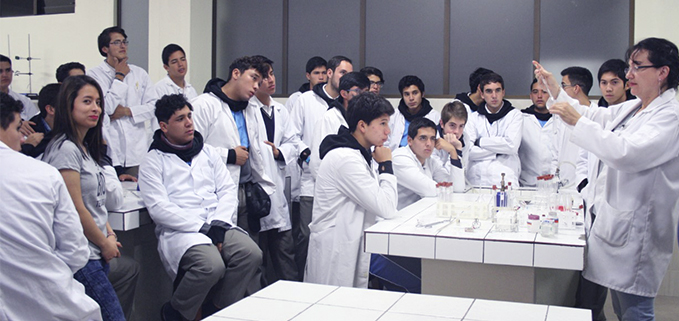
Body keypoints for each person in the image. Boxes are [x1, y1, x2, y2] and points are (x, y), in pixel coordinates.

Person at [535, 37, 679, 320]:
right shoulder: (636, 107)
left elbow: (627, 153)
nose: (629, 75)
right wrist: (555, 89)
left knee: (635, 308)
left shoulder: (670, 116)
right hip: (617, 222)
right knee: (621, 305)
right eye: (629, 66)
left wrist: (577, 122)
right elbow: (592, 115)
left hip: (639, 229)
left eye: (637, 67)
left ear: (663, 72)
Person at [138, 94, 262, 320]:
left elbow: (226, 190)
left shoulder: (207, 152)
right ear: (164, 126)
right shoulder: (153, 161)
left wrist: (219, 223)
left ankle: (218, 309)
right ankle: (176, 311)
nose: (188, 123)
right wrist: (203, 228)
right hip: (183, 231)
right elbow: (158, 207)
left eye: (189, 116)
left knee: (251, 253)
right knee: (211, 265)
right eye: (180, 119)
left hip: (218, 221)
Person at [0, 92, 102, 320]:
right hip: (50, 302)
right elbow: (75, 252)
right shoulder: (43, 173)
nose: (23, 139)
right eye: (18, 129)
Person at [42, 75, 126, 321]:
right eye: (87, 101)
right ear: (69, 106)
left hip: (97, 249)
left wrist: (109, 234)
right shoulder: (66, 149)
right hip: (83, 255)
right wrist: (103, 242)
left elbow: (95, 201)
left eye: (98, 102)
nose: (96, 109)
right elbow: (75, 209)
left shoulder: (85, 148)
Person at [305, 92, 397, 288]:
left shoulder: (359, 154)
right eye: (382, 123)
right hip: (335, 249)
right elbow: (386, 207)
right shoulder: (346, 158)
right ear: (362, 125)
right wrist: (386, 166)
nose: (388, 131)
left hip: (348, 241)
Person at [289, 55, 353, 280]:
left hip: (340, 188)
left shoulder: (349, 108)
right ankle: (302, 285)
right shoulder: (306, 100)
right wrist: (306, 153)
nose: (346, 79)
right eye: (342, 73)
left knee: (332, 240)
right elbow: (291, 135)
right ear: (329, 74)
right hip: (310, 182)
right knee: (307, 238)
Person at [247, 55, 299, 282]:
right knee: (258, 256)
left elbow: (293, 142)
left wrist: (279, 152)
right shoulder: (247, 110)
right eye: (264, 76)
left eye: (271, 74)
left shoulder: (281, 110)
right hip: (256, 193)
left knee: (285, 253)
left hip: (278, 192)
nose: (270, 80)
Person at [88, 26, 157, 177]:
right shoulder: (94, 75)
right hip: (111, 149)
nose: (123, 46)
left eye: (125, 42)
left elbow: (153, 107)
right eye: (117, 42)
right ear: (105, 48)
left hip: (136, 151)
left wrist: (128, 111)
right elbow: (104, 108)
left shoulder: (139, 73)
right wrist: (119, 77)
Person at [309, 71, 370, 179]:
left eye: (366, 92)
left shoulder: (364, 119)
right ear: (344, 94)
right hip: (336, 188)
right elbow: (317, 162)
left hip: (359, 182)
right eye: (358, 91)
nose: (364, 97)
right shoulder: (330, 118)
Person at [465, 72, 522, 186]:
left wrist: (480, 142)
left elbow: (511, 146)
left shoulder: (515, 115)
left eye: (497, 90)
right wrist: (498, 151)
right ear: (481, 94)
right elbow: (469, 152)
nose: (494, 96)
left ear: (503, 92)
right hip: (477, 180)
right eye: (489, 91)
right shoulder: (473, 118)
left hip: (505, 179)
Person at [392, 117, 459, 210]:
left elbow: (455, 187)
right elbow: (429, 190)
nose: (429, 144)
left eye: (432, 139)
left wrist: (453, 151)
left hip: (417, 214)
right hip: (396, 219)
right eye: (423, 138)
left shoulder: (429, 160)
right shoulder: (399, 158)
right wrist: (447, 190)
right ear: (409, 140)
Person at [518, 79, 558, 187]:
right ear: (531, 96)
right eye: (535, 92)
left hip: (554, 184)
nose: (539, 96)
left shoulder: (560, 120)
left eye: (544, 92)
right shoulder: (520, 118)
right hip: (527, 183)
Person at [385, 75, 441, 151]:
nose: (411, 98)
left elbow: (437, 146)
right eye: (407, 94)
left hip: (423, 159)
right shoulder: (393, 115)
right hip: (396, 158)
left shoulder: (435, 117)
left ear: (422, 94)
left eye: (415, 93)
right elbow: (385, 142)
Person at [433, 100, 469, 192]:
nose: (457, 131)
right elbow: (446, 180)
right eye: (452, 125)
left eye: (461, 126)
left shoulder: (464, 139)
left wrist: (456, 150)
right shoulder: (431, 139)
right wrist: (453, 151)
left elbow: (458, 180)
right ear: (441, 124)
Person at [1, 54, 40, 136]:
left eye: (8, 70)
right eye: (0, 71)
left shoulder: (24, 100)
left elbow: (35, 124)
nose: (4, 75)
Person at [20, 83, 59, 158]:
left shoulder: (77, 129)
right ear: (51, 109)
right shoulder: (26, 136)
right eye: (68, 105)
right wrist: (28, 147)